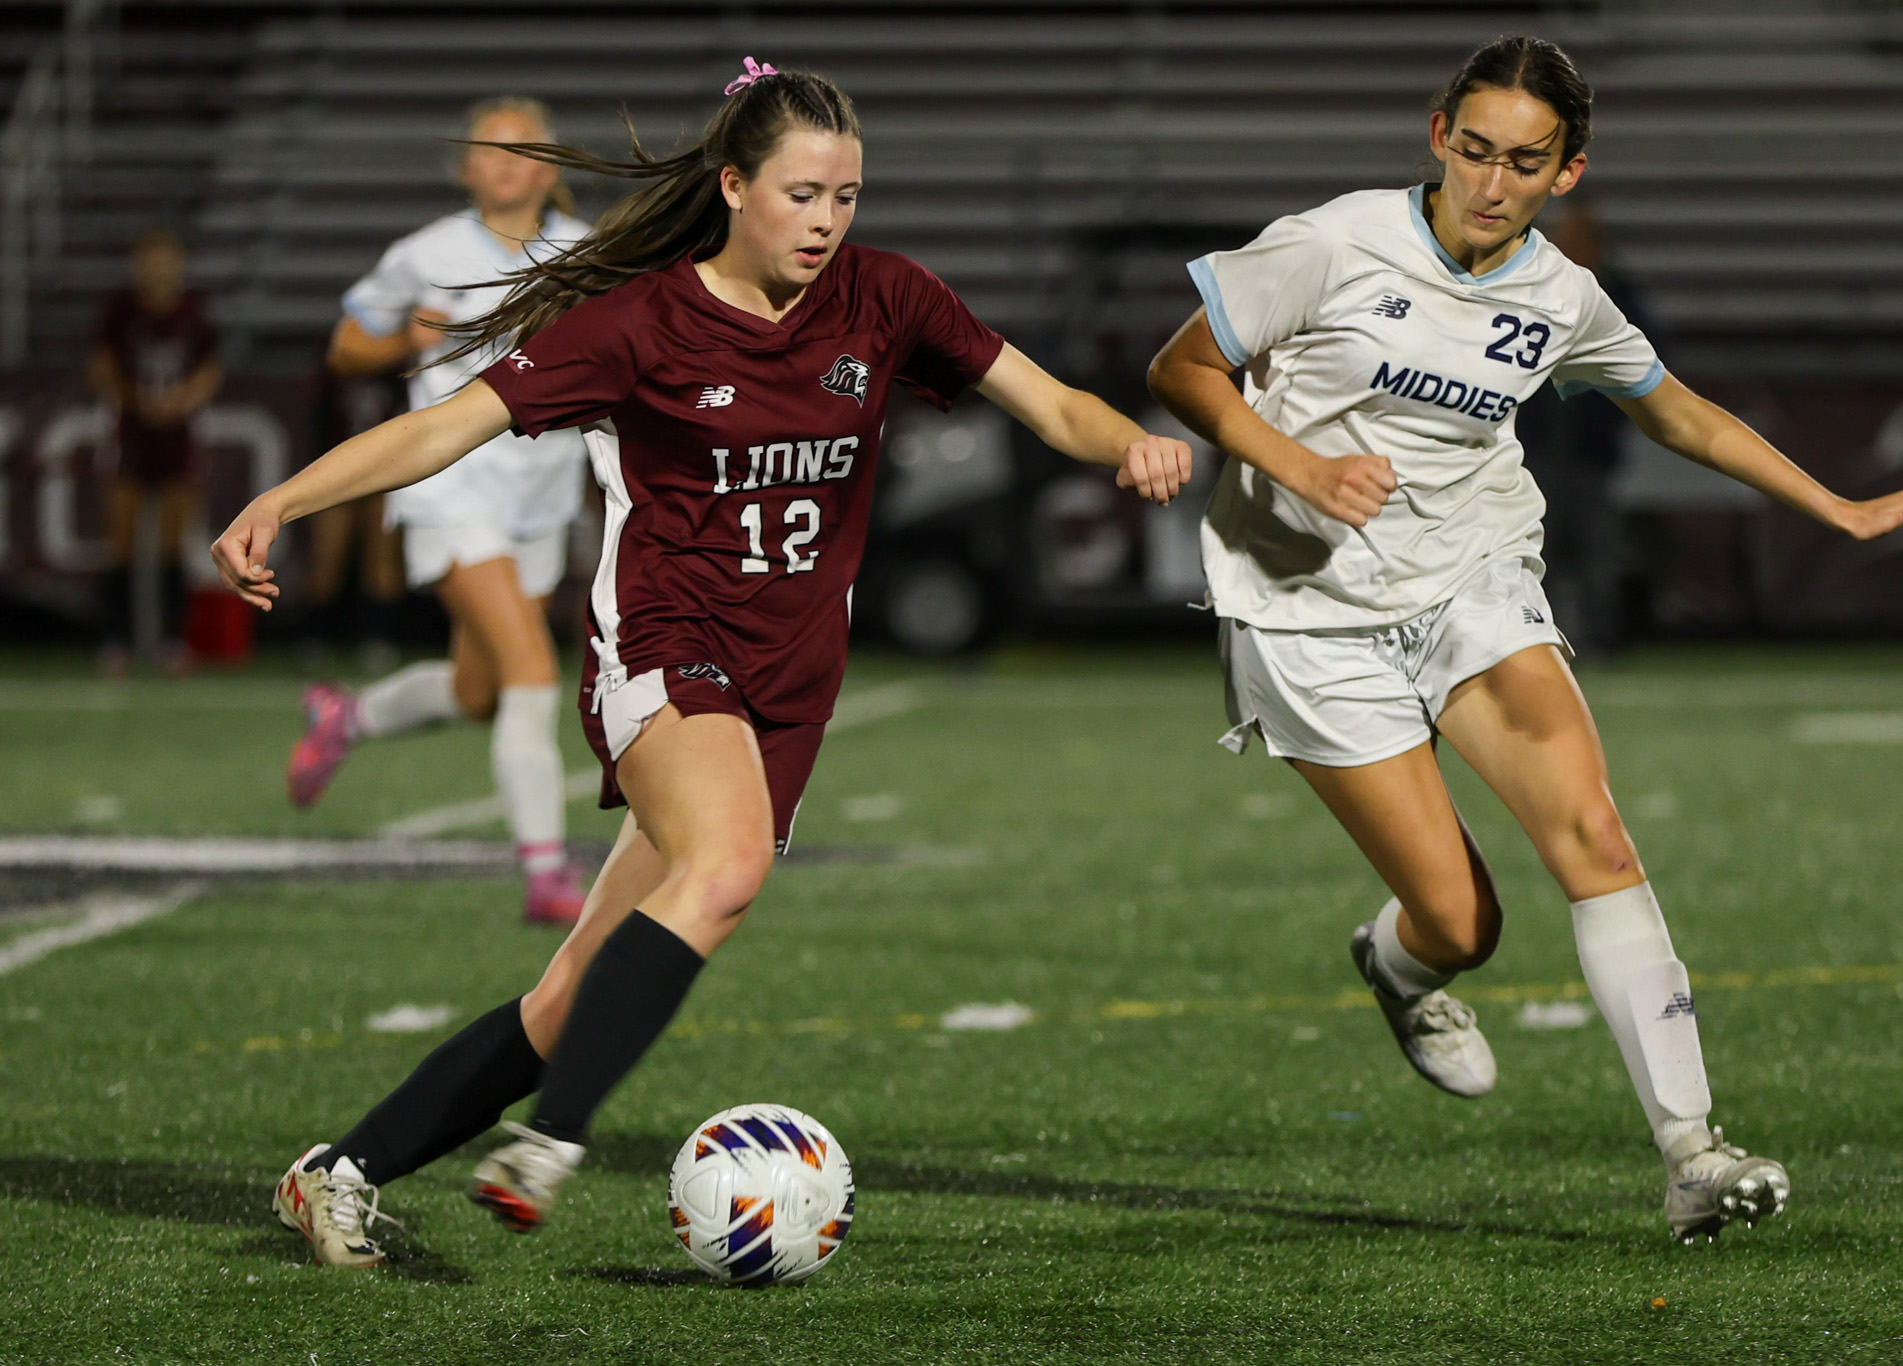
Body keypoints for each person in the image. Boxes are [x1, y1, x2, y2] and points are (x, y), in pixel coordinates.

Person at [214, 60, 1191, 1268]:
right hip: (665, 643)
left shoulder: (885, 299)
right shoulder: (638, 324)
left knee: (568, 997)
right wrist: (282, 499)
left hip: (790, 684)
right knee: (724, 866)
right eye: (801, 193)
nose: (828, 221)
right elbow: (438, 425)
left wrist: (1130, 442)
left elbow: (1050, 405)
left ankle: (340, 1171)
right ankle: (551, 1139)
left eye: (846, 195)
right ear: (733, 187)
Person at [1147, 34, 1903, 1242]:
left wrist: (1836, 506)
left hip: (1470, 578)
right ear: (1437, 135)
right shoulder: (1328, 241)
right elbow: (1181, 368)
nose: (1489, 181)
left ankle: (1691, 1151)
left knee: (1590, 826)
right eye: (1471, 149)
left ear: (1564, 173)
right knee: (1460, 922)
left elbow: (1674, 409)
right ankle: (1398, 966)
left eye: (1521, 161)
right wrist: (1301, 467)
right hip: (1304, 606)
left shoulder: (1559, 296)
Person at [290, 96, 594, 926]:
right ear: (465, 167)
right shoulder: (424, 252)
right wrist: (406, 344)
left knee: (480, 692)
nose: (505, 161)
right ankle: (545, 874)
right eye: (488, 149)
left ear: (553, 164)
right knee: (533, 673)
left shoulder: (588, 251)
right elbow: (348, 345)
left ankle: (345, 716)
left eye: (524, 147)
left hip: (542, 490)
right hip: (449, 486)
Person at [1513, 196, 1647, 652]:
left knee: (1594, 552)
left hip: (1590, 452)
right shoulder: (1531, 291)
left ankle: (1600, 640)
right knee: (1540, 552)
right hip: (1536, 450)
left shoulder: (1614, 293)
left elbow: (1645, 365)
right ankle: (1540, 641)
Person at [90, 229, 222, 675]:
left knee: (173, 542)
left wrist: (181, 401)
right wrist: (133, 399)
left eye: (167, 260)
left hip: (177, 436)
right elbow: (102, 365)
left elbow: (209, 369)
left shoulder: (193, 312)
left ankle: (170, 640)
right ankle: (115, 640)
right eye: (152, 260)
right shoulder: (121, 310)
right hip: (131, 434)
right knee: (121, 542)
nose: (160, 269)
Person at [299, 368, 407, 671]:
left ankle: (378, 640)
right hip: (338, 474)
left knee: (382, 561)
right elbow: (318, 419)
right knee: (326, 557)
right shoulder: (335, 364)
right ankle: (314, 638)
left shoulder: (397, 367)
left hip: (388, 472)